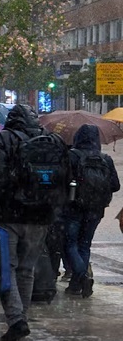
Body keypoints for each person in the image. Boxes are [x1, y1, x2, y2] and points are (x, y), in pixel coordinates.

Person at [0, 104, 60, 341]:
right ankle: (22, 317)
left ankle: (16, 319)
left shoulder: (3, 139)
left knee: (6, 268)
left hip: (9, 215)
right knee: (26, 269)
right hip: (41, 215)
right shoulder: (49, 140)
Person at [63, 124, 120, 297]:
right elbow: (116, 186)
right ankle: (75, 286)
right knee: (84, 245)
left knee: (69, 244)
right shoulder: (105, 159)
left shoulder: (71, 156)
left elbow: (62, 181)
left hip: (73, 207)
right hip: (96, 209)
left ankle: (82, 275)